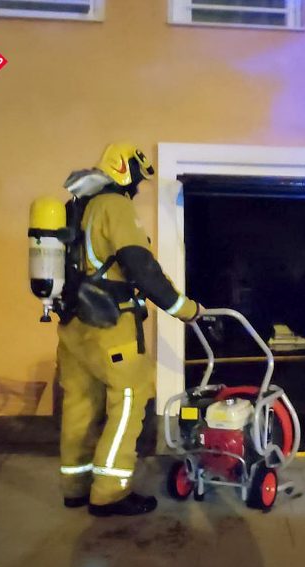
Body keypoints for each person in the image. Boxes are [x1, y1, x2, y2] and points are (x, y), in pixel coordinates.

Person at [57, 142, 202, 517]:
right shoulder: (115, 206)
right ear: (126, 171)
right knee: (128, 401)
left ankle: (75, 487)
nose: (138, 186)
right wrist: (185, 309)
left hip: (73, 325)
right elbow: (140, 266)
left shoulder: (78, 207)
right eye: (138, 177)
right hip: (111, 325)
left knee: (79, 405)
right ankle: (109, 494)